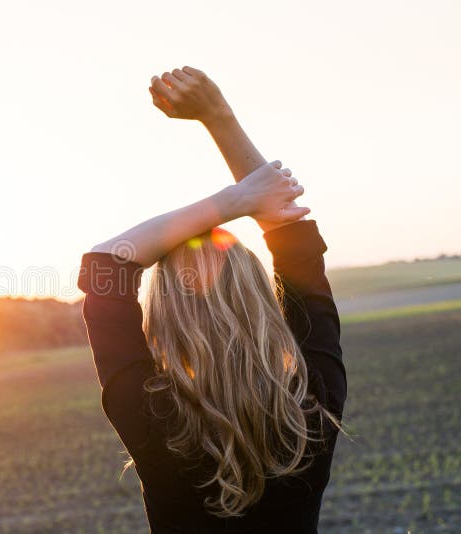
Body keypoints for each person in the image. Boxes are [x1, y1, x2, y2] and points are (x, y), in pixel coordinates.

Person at [77, 67, 346, 532]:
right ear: (260, 298)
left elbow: (106, 265)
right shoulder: (312, 402)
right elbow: (291, 233)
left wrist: (231, 202)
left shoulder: (150, 415)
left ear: (162, 318)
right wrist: (218, 116)